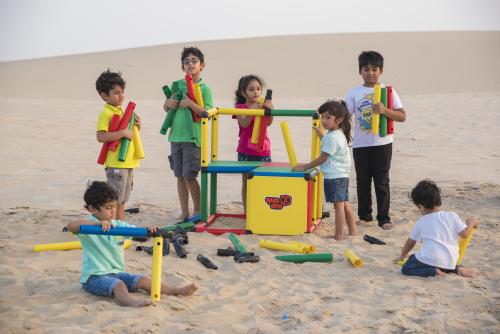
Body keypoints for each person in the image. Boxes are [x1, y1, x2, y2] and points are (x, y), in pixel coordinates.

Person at [67, 181, 198, 307]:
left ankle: (176, 291)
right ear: (92, 208)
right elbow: (71, 226)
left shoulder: (118, 225)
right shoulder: (88, 224)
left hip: (116, 272)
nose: (113, 211)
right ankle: (132, 302)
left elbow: (138, 234)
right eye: (108, 208)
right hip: (94, 277)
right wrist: (96, 224)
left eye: (115, 206)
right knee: (118, 285)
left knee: (143, 280)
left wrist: (149, 231)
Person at [345, 51, 407, 230]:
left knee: (381, 181)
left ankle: (384, 218)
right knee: (362, 181)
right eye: (366, 69)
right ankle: (365, 216)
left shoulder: (389, 91)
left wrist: (385, 111)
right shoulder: (354, 93)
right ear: (360, 71)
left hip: (383, 143)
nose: (370, 73)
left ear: (381, 71)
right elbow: (344, 116)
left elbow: (402, 116)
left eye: (374, 69)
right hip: (360, 144)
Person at [293, 100, 357, 240]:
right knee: (344, 203)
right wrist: (320, 134)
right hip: (342, 174)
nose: (323, 120)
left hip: (334, 176)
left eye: (328, 117)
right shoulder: (337, 133)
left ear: (339, 119)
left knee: (338, 206)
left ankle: (339, 235)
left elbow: (323, 158)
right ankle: (352, 232)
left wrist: (304, 167)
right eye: (322, 116)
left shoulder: (332, 138)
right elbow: (329, 144)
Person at [163, 47, 213, 221]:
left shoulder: (205, 88)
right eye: (186, 62)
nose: (190, 64)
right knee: (179, 176)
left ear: (202, 65)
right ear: (182, 66)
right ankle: (184, 212)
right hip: (175, 137)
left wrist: (190, 104)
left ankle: (197, 211)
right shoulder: (177, 85)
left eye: (194, 61)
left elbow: (207, 113)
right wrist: (168, 102)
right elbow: (167, 108)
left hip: (194, 139)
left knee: (190, 176)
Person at [393, 179, 478, 278]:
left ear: (421, 206)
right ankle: (456, 269)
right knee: (444, 262)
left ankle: (434, 271)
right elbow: (465, 235)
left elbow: (410, 243)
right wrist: (471, 223)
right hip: (450, 261)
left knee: (407, 267)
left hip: (430, 260)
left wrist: (402, 255)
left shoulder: (421, 221)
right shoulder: (452, 216)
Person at [95, 69, 140, 221]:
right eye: (116, 92)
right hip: (116, 163)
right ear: (104, 95)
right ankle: (110, 226)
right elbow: (101, 137)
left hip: (128, 162)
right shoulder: (106, 113)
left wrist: (137, 127)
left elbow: (128, 135)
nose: (121, 96)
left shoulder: (122, 112)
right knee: (114, 199)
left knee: (123, 199)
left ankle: (120, 227)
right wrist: (122, 133)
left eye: (122, 92)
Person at [234, 75, 274, 211]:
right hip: (246, 151)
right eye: (251, 89)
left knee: (263, 181)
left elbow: (269, 122)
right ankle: (247, 210)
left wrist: (270, 110)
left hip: (263, 150)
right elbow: (244, 124)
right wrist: (253, 110)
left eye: (258, 89)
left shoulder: (263, 105)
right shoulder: (240, 107)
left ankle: (261, 210)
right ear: (243, 93)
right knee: (246, 182)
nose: (256, 92)